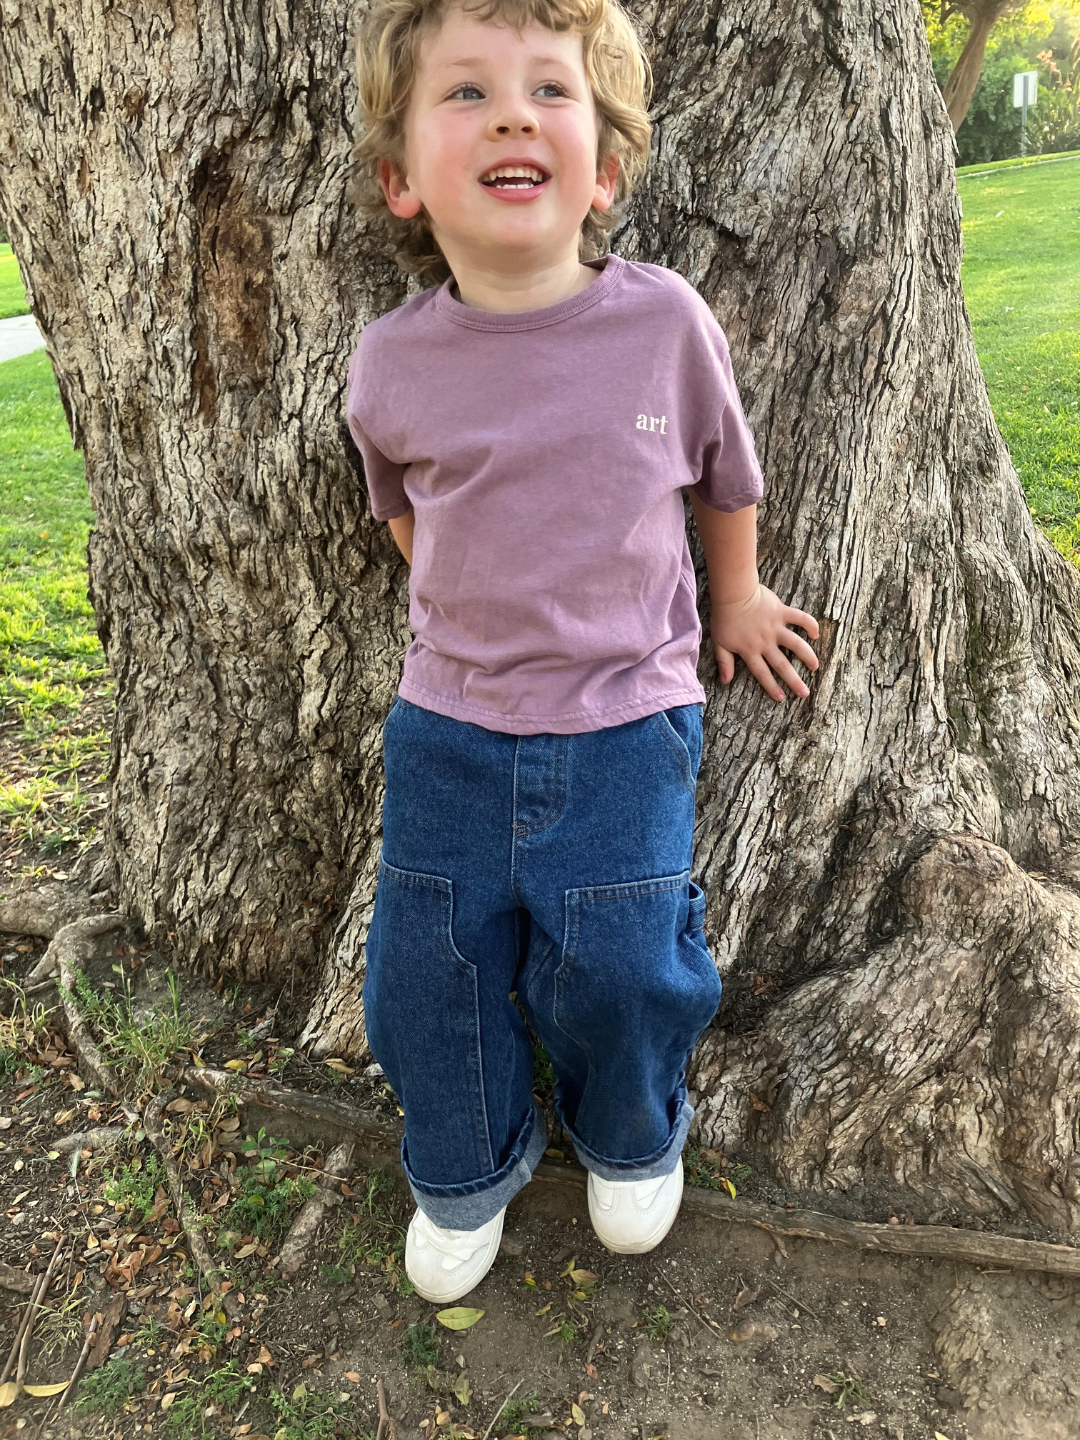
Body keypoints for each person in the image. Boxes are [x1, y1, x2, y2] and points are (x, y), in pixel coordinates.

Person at [344, 0, 819, 1304]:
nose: (510, 113)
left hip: (626, 723)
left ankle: (627, 1133)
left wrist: (735, 599)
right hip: (446, 729)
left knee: (625, 960)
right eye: (466, 94)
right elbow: (398, 508)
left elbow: (725, 476)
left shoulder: (662, 324)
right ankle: (462, 1164)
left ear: (603, 169)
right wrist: (471, 617)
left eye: (547, 90)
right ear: (400, 181)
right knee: (422, 977)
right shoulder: (388, 363)